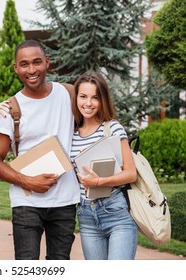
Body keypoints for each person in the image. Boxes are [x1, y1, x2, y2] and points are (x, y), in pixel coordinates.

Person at [0, 40, 80, 260]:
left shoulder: (69, 95)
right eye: (24, 64)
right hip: (26, 202)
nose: (31, 70)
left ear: (47, 63)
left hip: (65, 200)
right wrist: (29, 182)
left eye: (37, 62)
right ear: (16, 68)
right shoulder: (9, 110)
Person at [71, 71, 138, 260]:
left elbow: (130, 174)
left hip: (116, 212)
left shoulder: (112, 128)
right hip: (86, 215)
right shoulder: (72, 133)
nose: (88, 103)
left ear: (103, 100)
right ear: (76, 98)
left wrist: (99, 181)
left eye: (95, 97)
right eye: (83, 96)